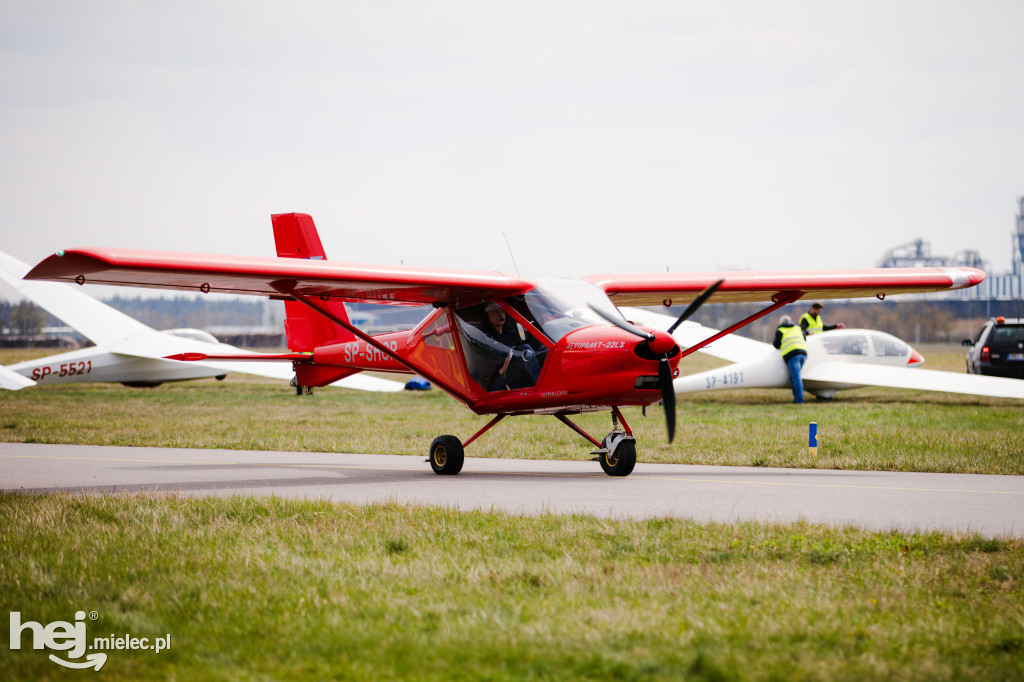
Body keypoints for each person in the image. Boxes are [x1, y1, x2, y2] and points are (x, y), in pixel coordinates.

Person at [773, 314, 808, 403]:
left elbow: (776, 344)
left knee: (796, 377)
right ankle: (796, 397)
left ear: (781, 323)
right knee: (795, 376)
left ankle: (799, 400)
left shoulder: (780, 330)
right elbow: (804, 338)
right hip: (803, 353)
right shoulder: (797, 328)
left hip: (793, 354)